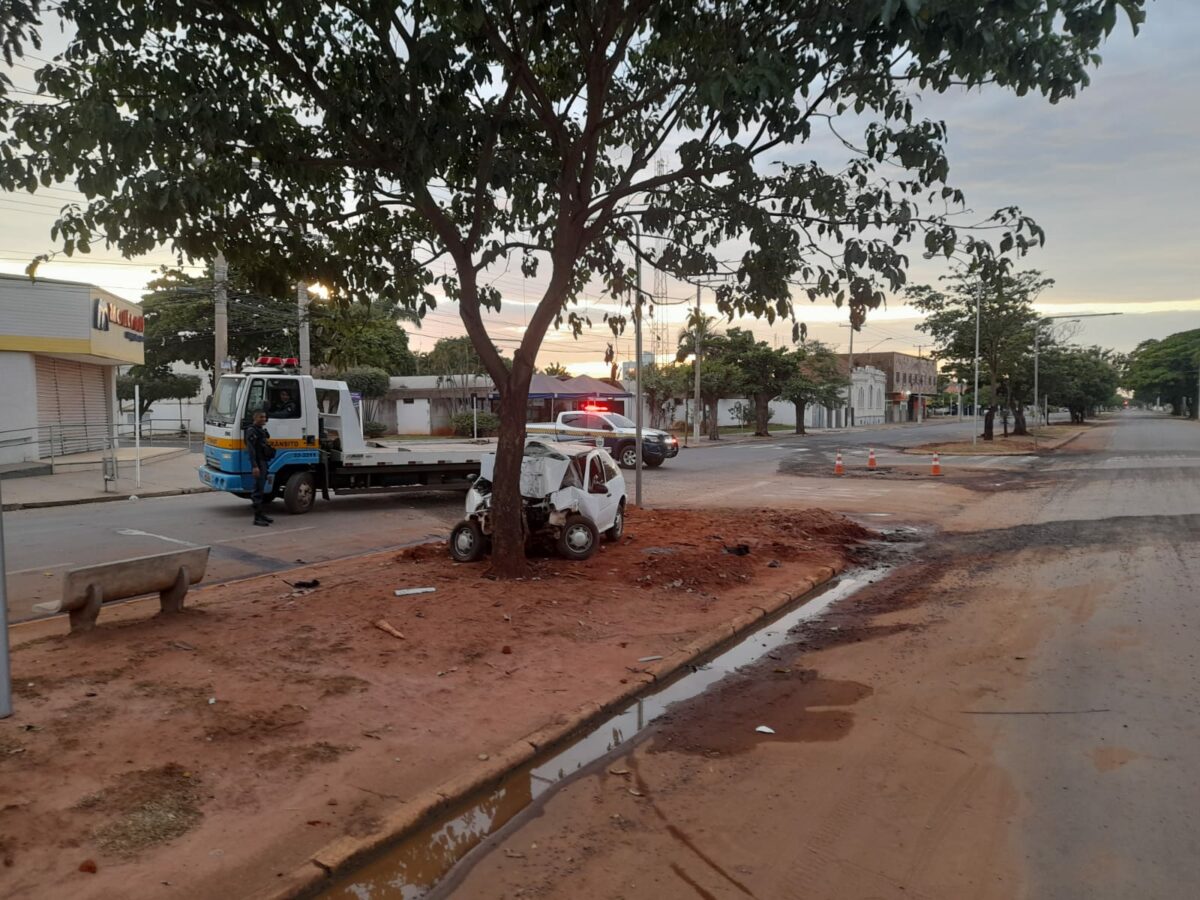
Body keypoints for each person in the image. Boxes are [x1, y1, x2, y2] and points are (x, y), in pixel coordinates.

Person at [244, 408, 275, 526]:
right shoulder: (252, 431)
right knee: (257, 490)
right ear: (255, 418)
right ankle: (257, 518)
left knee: (261, 489)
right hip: (258, 463)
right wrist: (255, 466)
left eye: (264, 417)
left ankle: (261, 514)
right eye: (260, 417)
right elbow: (251, 451)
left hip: (263, 462)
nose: (263, 419)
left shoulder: (260, 430)